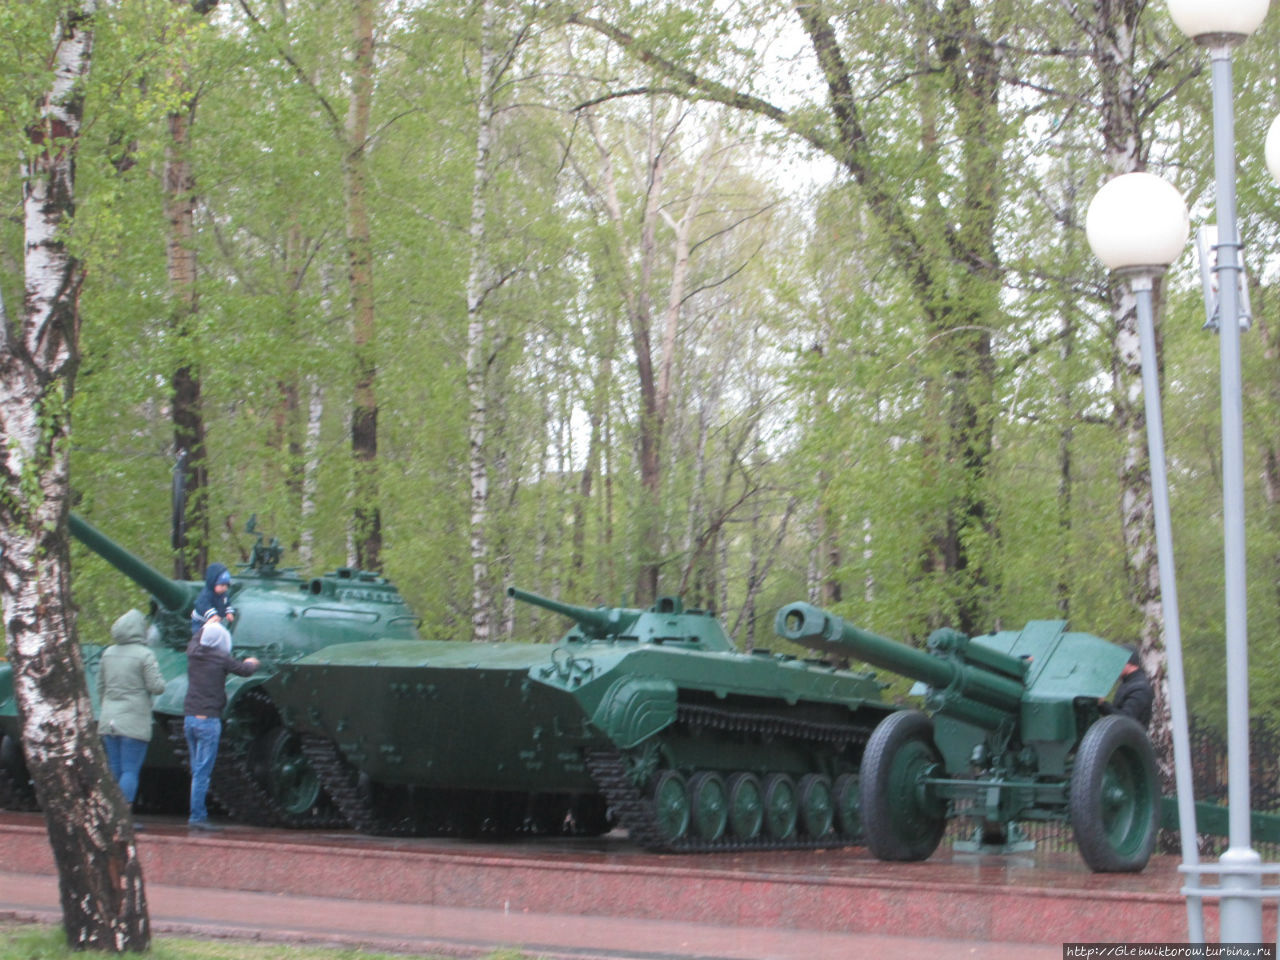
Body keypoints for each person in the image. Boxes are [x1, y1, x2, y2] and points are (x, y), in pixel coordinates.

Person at [183, 618, 259, 830]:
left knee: (196, 769)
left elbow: (196, 638)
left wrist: (206, 626)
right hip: (208, 720)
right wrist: (253, 662)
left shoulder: (193, 652)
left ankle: (198, 813)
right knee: (202, 772)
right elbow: (244, 670)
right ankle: (197, 818)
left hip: (190, 718)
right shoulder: (221, 657)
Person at [98, 609, 166, 808]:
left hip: (108, 720)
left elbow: (100, 687)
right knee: (130, 770)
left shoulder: (108, 653)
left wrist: (109, 707)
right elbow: (157, 686)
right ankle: (123, 814)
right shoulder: (145, 655)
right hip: (134, 720)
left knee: (114, 768)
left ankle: (110, 812)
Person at [1100, 645, 1154, 729]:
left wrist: (1102, 704)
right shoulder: (1129, 683)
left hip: (1133, 741)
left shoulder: (1140, 688)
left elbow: (1126, 719)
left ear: (1128, 662)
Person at [190, 563, 236, 636]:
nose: (224, 588)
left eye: (227, 585)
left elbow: (227, 603)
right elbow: (203, 606)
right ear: (213, 582)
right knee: (199, 636)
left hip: (215, 620)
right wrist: (213, 615)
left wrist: (228, 612)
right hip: (201, 621)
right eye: (222, 585)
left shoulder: (223, 594)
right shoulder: (206, 595)